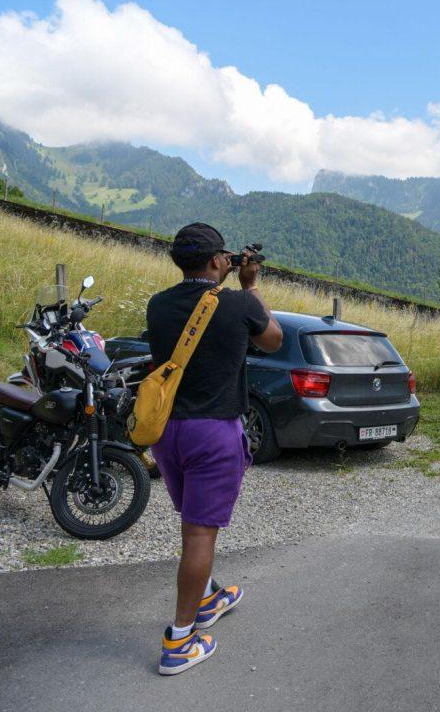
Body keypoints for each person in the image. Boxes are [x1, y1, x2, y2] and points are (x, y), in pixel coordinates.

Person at [146, 223, 282, 675]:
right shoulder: (239, 302)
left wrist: (219, 280)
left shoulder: (158, 305)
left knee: (193, 525)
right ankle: (179, 641)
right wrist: (250, 285)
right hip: (213, 434)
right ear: (216, 261)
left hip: (168, 434)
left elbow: (194, 317)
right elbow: (274, 339)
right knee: (199, 535)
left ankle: (207, 596)